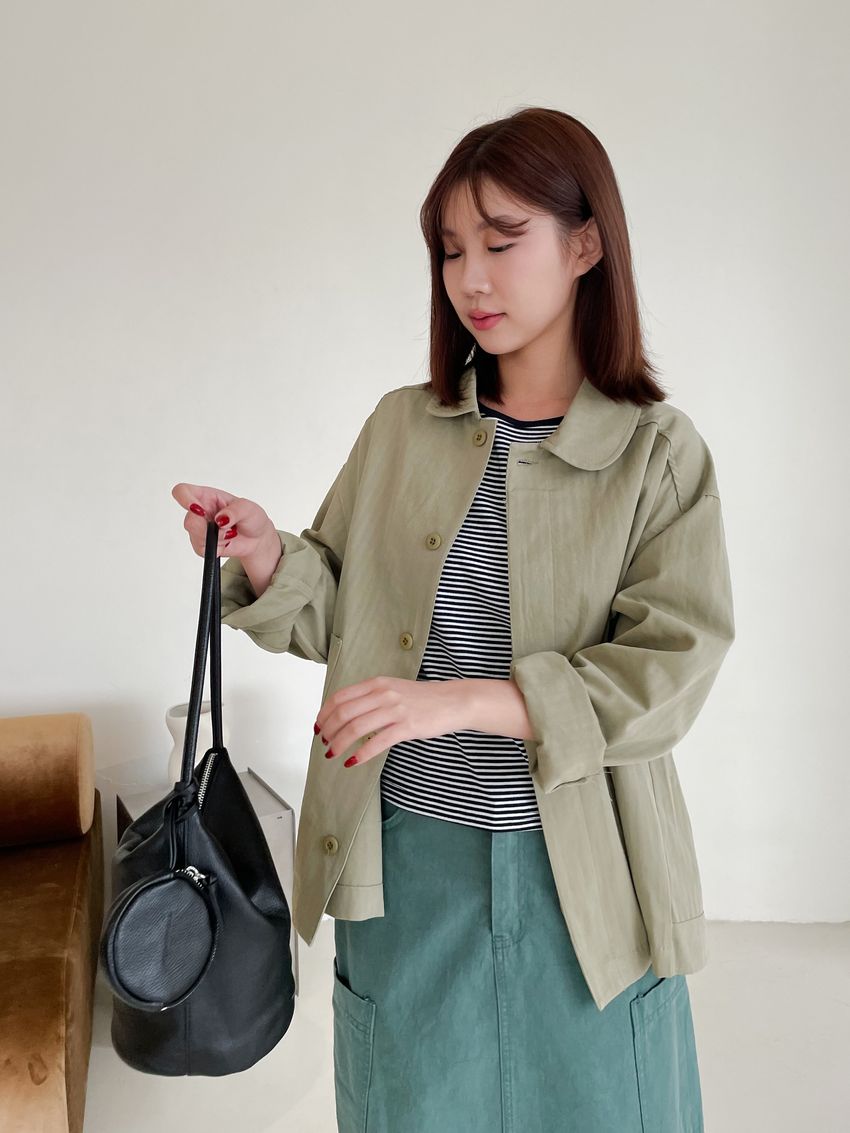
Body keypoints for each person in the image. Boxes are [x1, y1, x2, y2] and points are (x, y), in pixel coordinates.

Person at [173, 106, 735, 1132]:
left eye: (501, 241)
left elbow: (671, 668)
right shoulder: (403, 427)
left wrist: (461, 701)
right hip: (408, 861)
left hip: (586, 874)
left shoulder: (657, 452)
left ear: (585, 245)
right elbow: (342, 610)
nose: (470, 277)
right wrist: (264, 555)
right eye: (450, 249)